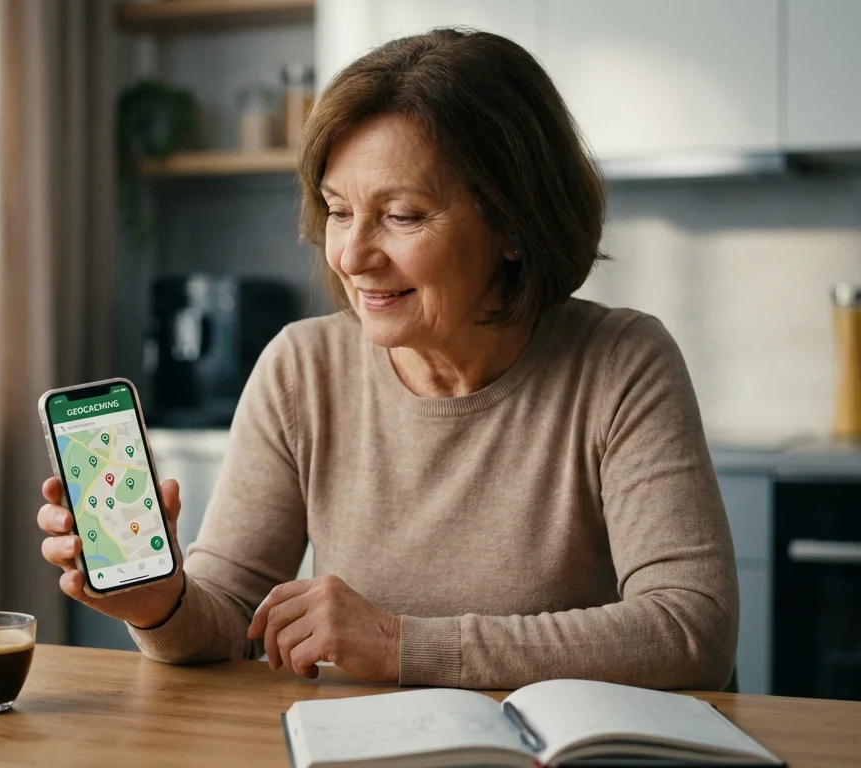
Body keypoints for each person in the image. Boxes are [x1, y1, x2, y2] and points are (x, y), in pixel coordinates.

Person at [38, 28, 738, 691]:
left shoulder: (621, 362)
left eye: (402, 216)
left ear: (514, 225)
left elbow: (692, 630)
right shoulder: (302, 368)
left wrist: (401, 645)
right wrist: (160, 602)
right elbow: (227, 617)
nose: (351, 256)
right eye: (339, 211)